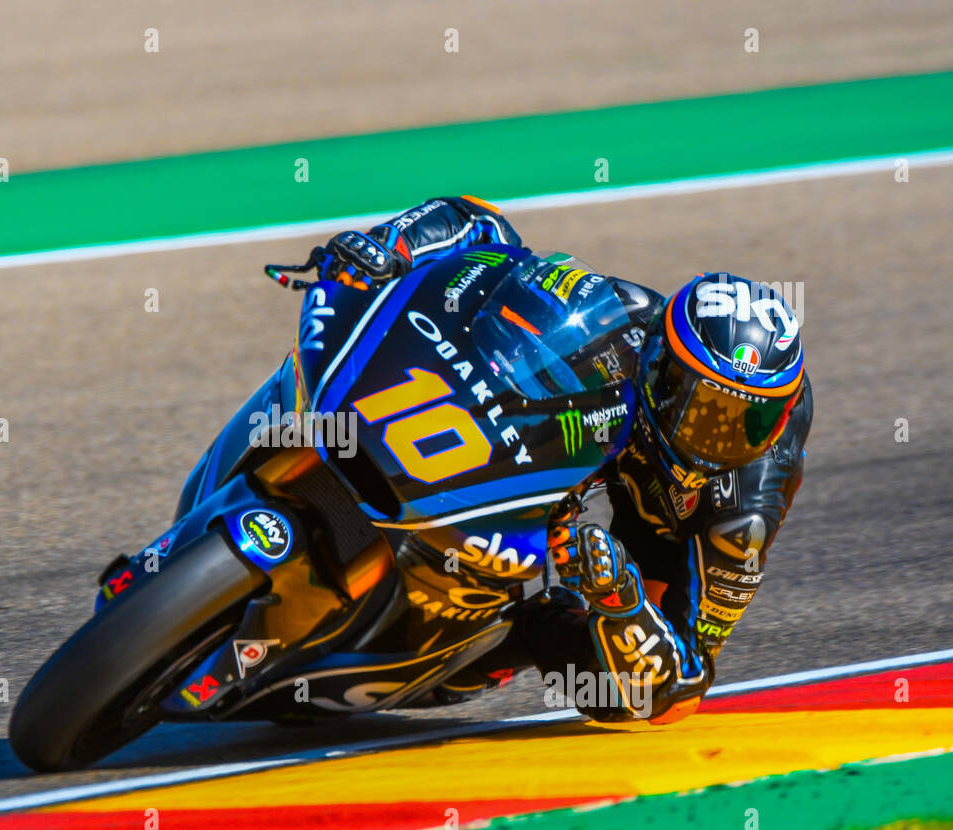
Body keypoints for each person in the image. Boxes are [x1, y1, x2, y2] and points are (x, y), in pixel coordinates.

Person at [319, 195, 812, 723]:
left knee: (623, 697)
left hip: (660, 545)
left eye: (744, 424)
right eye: (704, 410)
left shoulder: (744, 513)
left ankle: (446, 650)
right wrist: (389, 246)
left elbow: (684, 688)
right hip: (600, 447)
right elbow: (488, 231)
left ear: (778, 419)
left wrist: (622, 604)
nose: (716, 439)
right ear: (661, 369)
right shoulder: (625, 321)